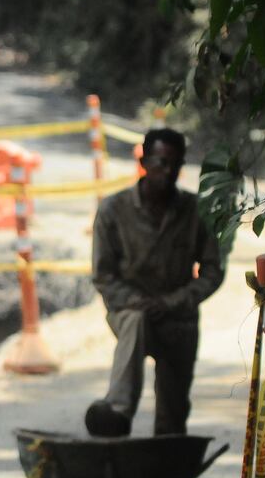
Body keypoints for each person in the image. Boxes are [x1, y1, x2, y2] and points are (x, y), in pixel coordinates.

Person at [85, 127, 224, 438]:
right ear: (145, 162)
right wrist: (137, 302)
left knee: (172, 420)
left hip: (178, 320)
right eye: (161, 162)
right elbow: (103, 275)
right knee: (136, 320)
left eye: (175, 164)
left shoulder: (195, 210)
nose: (168, 171)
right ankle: (117, 414)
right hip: (129, 312)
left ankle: (161, 477)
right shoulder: (113, 210)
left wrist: (173, 302)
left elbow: (213, 271)